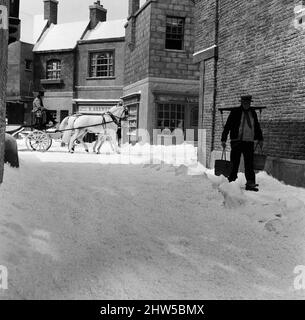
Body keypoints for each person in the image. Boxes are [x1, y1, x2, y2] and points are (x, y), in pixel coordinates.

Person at [221, 95, 263, 192]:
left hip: (249, 142)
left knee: (249, 164)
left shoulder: (253, 113)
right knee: (234, 163)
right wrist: (223, 139)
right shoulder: (235, 112)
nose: (246, 104)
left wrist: (260, 139)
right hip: (237, 141)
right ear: (241, 103)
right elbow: (227, 126)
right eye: (244, 102)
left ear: (250, 103)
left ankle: (250, 183)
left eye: (248, 102)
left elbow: (256, 126)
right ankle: (231, 182)